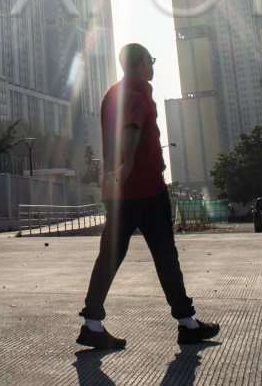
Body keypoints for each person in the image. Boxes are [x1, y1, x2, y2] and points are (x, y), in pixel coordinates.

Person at [76, 42, 220, 349]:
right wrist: (128, 163)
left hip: (117, 192)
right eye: (150, 60)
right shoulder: (138, 89)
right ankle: (187, 323)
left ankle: (92, 324)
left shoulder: (111, 93)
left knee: (110, 256)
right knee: (165, 255)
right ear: (141, 61)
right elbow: (131, 127)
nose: (152, 66)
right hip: (143, 190)